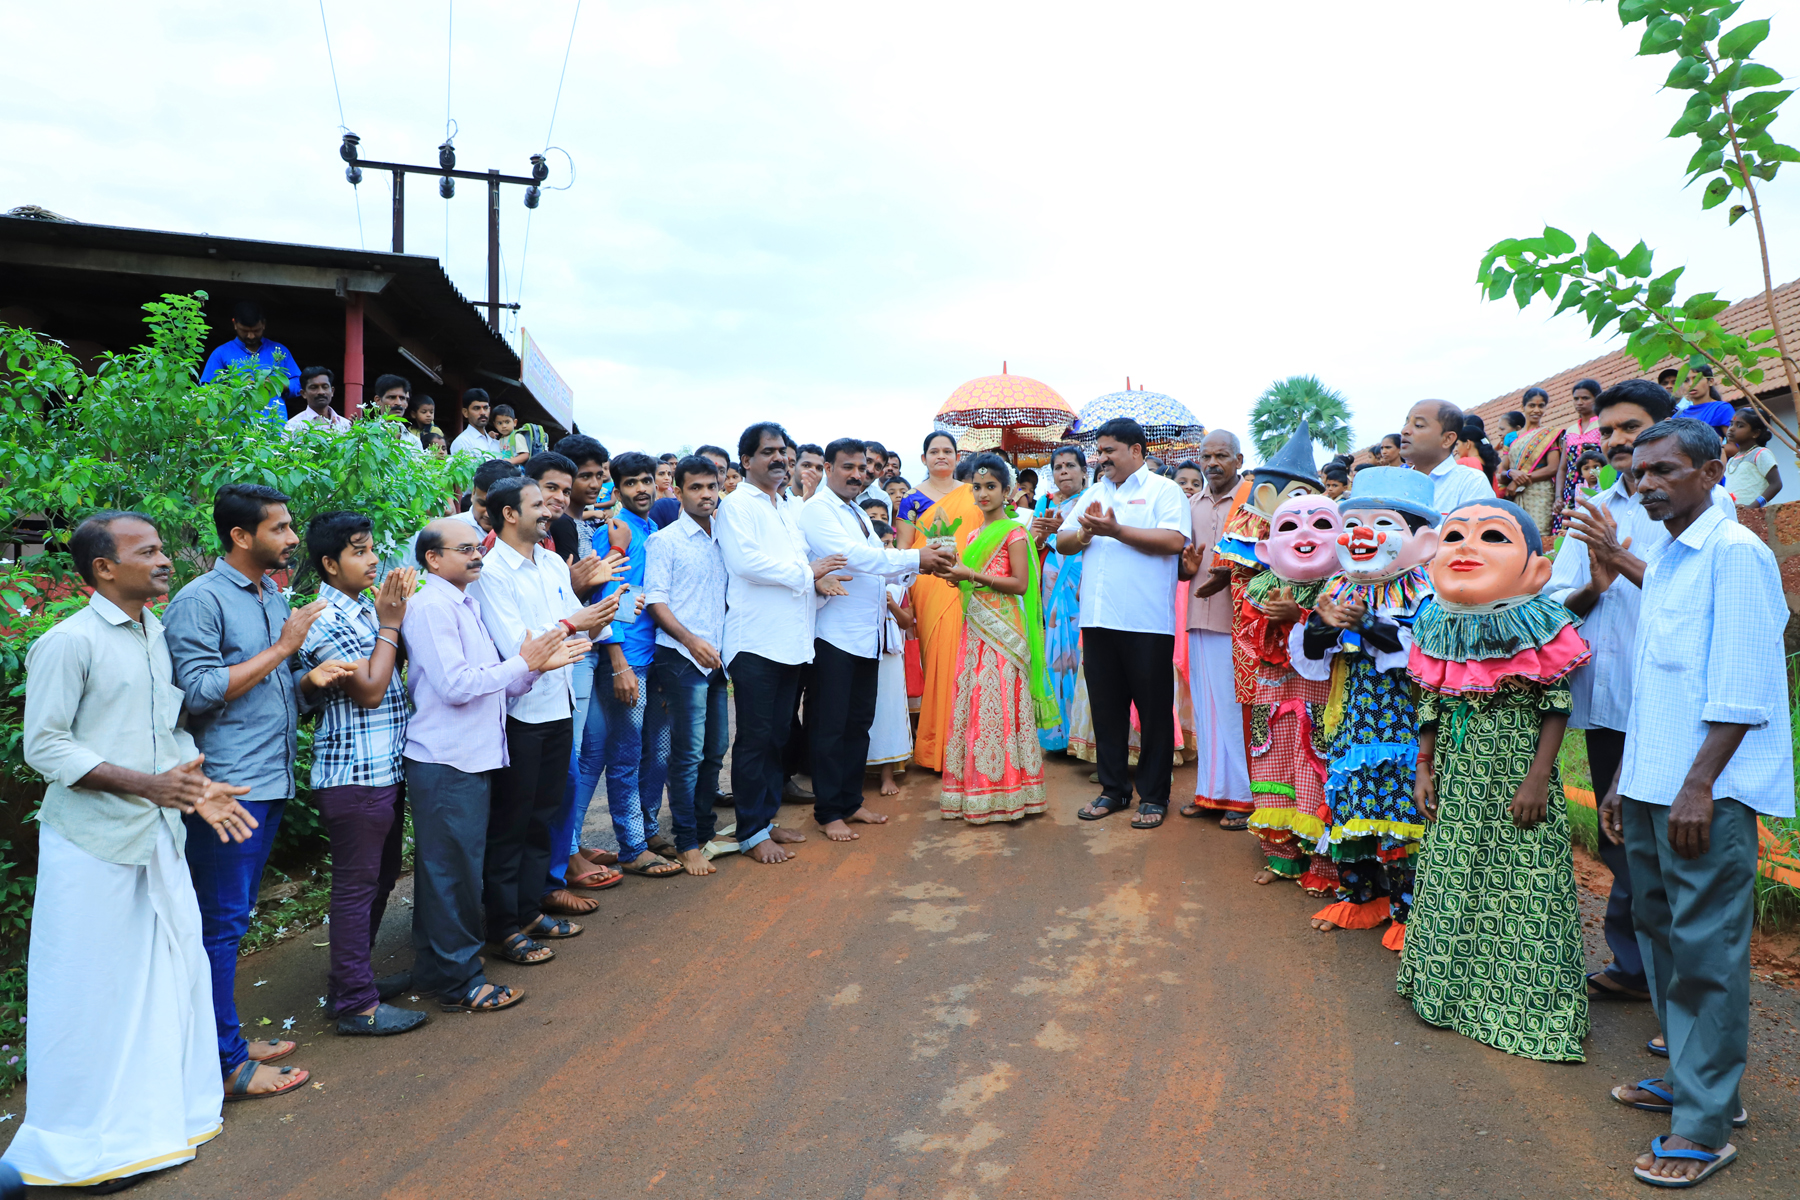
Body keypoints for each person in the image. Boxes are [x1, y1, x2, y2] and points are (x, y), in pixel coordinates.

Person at [10, 512, 261, 1187]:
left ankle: (148, 1130)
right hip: (91, 845)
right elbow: (47, 746)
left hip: (154, 837)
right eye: (145, 551)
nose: (162, 559)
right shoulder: (69, 643)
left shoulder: (151, 631)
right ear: (103, 569)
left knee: (161, 981)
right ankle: (78, 1150)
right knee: (90, 996)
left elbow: (162, 730)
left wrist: (194, 782)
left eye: (159, 548)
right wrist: (152, 785)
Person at [1595, 417, 1791, 1187]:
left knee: (1705, 952)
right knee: (1665, 935)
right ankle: (1694, 1080)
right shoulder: (1669, 555)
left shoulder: (1736, 555)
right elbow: (1662, 680)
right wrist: (1620, 782)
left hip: (1705, 792)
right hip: (1653, 785)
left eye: (1664, 470)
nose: (1645, 484)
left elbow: (1741, 688)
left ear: (1713, 472)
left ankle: (1705, 1128)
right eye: (1639, 472)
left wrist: (1700, 783)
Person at [163, 485, 355, 1094]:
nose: (293, 539)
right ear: (241, 537)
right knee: (218, 926)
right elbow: (195, 694)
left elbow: (273, 686)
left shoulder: (271, 595)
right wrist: (285, 650)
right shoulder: (200, 602)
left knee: (232, 920)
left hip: (268, 780)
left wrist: (307, 679)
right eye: (279, 529)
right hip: (226, 787)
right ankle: (224, 1066)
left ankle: (225, 1038)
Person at [1553, 378, 1737, 1010]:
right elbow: (1562, 604)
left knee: (1672, 855)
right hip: (1609, 701)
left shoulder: (1710, 510)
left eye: (1630, 429)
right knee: (1619, 839)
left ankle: (1681, 993)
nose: (1617, 442)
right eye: (1606, 432)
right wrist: (1596, 583)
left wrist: (1619, 561)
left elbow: (1688, 595)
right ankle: (1636, 968)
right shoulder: (1593, 508)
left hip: (1677, 713)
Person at [1400, 498, 1591, 1062]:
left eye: (1492, 537)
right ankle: (1447, 995)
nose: (1467, 547)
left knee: (1525, 881)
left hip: (1517, 770)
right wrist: (1424, 765)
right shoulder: (1434, 619)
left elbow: (1558, 704)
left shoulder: (1537, 618)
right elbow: (1430, 699)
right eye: (1455, 535)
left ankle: (1527, 1007)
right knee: (1453, 872)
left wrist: (1538, 779)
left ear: (1535, 568)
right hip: (1456, 769)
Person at [396, 519, 588, 1012]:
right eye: (464, 549)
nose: (478, 555)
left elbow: (494, 683)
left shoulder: (463, 601)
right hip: (446, 759)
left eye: (477, 547)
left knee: (452, 870)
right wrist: (524, 663)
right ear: (432, 559)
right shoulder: (432, 606)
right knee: (451, 875)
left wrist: (534, 666)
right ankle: (460, 983)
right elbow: (458, 686)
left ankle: (437, 970)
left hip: (472, 755)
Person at [298, 512, 429, 1036]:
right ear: (330, 564)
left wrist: (387, 618)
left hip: (383, 767)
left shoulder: (359, 609)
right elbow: (371, 689)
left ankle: (354, 982)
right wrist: (392, 622)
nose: (374, 559)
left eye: (373, 548)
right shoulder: (323, 618)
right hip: (354, 773)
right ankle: (354, 1003)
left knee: (378, 880)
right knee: (357, 887)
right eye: (359, 551)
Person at [1294, 467, 1439, 938]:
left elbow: (1427, 658)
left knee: (1401, 812)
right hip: (1351, 715)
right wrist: (1320, 630)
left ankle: (1407, 912)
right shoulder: (1337, 585)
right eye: (1353, 523)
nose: (1362, 536)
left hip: (1403, 718)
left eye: (1382, 524)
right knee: (1352, 804)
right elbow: (1312, 657)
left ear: (1423, 541)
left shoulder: (1427, 591)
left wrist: (1371, 626)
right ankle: (1359, 897)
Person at [799, 438, 948, 840]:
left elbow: (879, 561)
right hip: (833, 636)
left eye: (861, 468)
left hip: (867, 635)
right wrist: (916, 558)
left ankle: (849, 801)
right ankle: (829, 811)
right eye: (847, 466)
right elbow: (854, 557)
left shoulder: (857, 512)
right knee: (830, 727)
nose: (856, 474)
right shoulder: (817, 511)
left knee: (858, 723)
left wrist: (919, 563)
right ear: (828, 468)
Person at [716, 422, 847, 864]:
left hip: (793, 642)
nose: (779, 460)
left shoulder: (788, 507)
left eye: (783, 454)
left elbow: (801, 561)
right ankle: (752, 832)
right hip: (755, 642)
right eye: (769, 452)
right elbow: (746, 563)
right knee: (755, 738)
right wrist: (808, 574)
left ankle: (765, 819)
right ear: (747, 460)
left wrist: (819, 577)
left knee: (777, 738)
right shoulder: (736, 505)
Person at [1060, 418, 1192, 829]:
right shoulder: (1094, 493)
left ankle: (1153, 797)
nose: (1101, 459)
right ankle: (1113, 790)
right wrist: (1085, 534)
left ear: (1136, 450)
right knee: (1107, 710)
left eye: (1109, 451)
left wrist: (1116, 530)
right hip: (1098, 620)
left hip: (1146, 622)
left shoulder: (1164, 491)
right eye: (1099, 451)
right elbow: (1063, 542)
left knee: (1153, 712)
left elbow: (1174, 541)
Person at [934, 453, 1057, 821]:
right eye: (977, 487)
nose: (983, 493)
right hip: (975, 630)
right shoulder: (972, 535)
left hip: (1005, 634)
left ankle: (1011, 795)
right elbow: (969, 579)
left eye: (991, 487)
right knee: (976, 705)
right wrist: (955, 576)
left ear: (1008, 492)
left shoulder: (1014, 531)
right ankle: (976, 792)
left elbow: (1020, 584)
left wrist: (971, 575)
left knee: (1002, 707)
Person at [583, 452, 680, 877]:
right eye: (632, 483)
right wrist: (618, 660)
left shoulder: (653, 529)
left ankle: (649, 830)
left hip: (656, 656)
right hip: (628, 661)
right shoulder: (614, 533)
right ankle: (632, 846)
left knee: (657, 752)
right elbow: (605, 597)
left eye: (648, 481)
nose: (642, 489)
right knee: (626, 754)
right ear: (616, 488)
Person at [1239, 492, 1343, 887]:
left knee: (1319, 769)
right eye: (1289, 525)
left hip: (1323, 694)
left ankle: (1325, 866)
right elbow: (1249, 637)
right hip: (1274, 693)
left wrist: (1300, 618)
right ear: (1266, 547)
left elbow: (1344, 639)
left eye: (1320, 524)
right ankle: (1283, 856)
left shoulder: (1343, 586)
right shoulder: (1262, 584)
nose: (1304, 534)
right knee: (1273, 766)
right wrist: (1276, 621)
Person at [645, 456, 731, 875]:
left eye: (711, 487)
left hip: (717, 659)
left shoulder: (724, 538)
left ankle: (704, 830)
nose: (705, 495)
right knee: (688, 755)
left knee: (716, 750)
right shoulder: (665, 541)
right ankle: (686, 842)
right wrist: (691, 640)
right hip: (681, 658)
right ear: (676, 491)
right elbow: (656, 602)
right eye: (695, 487)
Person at [1177, 430, 1255, 821]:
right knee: (1206, 710)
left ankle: (1243, 797)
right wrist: (1185, 569)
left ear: (1238, 460)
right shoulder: (1190, 504)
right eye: (1206, 456)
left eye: (1221, 456)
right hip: (1197, 618)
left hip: (1240, 622)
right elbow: (1180, 563)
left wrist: (1234, 575)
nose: (1212, 463)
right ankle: (1210, 791)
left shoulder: (1254, 501)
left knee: (1232, 709)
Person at [897, 432, 982, 772]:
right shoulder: (911, 500)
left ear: (958, 456)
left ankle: (970, 745)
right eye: (935, 451)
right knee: (938, 663)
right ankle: (939, 750)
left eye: (948, 451)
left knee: (968, 663)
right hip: (930, 586)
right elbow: (903, 550)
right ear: (924, 459)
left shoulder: (973, 493)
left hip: (967, 584)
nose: (941, 456)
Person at [1032, 446, 1088, 753]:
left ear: (1083, 471)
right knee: (1055, 652)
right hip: (1052, 578)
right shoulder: (1045, 502)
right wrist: (1040, 536)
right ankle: (1059, 735)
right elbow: (1034, 545)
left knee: (1081, 655)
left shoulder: (1093, 500)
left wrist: (1069, 532)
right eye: (1058, 467)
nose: (1063, 471)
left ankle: (1083, 735)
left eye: (1070, 465)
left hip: (1081, 577)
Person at [869, 518, 915, 795]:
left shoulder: (898, 583)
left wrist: (891, 605)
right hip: (862, 654)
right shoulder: (855, 575)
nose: (885, 549)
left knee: (889, 712)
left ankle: (888, 774)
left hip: (889, 658)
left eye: (888, 543)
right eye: (879, 544)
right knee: (864, 714)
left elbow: (908, 621)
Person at [200, 299, 298, 424]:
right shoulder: (221, 353)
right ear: (234, 324)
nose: (251, 336)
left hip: (274, 426)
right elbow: (205, 389)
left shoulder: (280, 351)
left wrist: (277, 385)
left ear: (264, 324)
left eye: (256, 331)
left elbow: (300, 383)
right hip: (233, 428)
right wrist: (236, 387)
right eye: (244, 331)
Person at [1400, 399, 1497, 515]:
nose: (1404, 431)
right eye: (1405, 424)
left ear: (1447, 439)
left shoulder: (1471, 482)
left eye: (1418, 425)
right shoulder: (1398, 483)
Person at [1499, 387, 1566, 537]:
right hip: (1514, 494)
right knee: (1515, 537)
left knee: (1538, 535)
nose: (1536, 410)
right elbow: (1502, 472)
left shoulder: (1548, 435)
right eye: (1531, 405)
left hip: (1540, 493)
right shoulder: (1511, 437)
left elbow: (1552, 468)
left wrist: (1519, 480)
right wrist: (1511, 473)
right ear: (1523, 407)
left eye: (1541, 406)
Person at [648, 444, 728, 530]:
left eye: (721, 471)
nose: (710, 473)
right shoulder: (663, 508)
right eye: (695, 488)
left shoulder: (729, 512)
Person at [1558, 378, 1604, 517]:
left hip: (1597, 485)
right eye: (1576, 398)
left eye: (1585, 398)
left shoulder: (1603, 426)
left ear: (1596, 399)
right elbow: (1562, 468)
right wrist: (1558, 496)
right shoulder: (1570, 431)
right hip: (1572, 489)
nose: (1580, 402)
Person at [1723, 405, 1782, 506]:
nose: (1731, 429)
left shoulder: (1760, 454)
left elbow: (1776, 484)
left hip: (1756, 513)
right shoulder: (1732, 460)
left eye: (1740, 426)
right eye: (1731, 424)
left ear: (1755, 433)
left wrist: (1754, 505)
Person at [284, 366, 351, 435]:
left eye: (325, 387)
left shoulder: (346, 425)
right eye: (314, 387)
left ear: (332, 391)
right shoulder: (292, 426)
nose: (321, 392)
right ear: (303, 393)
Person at [450, 388, 505, 458]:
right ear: (465, 412)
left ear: (489, 410)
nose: (483, 412)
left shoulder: (496, 442)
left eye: (485, 408)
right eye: (477, 408)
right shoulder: (462, 442)